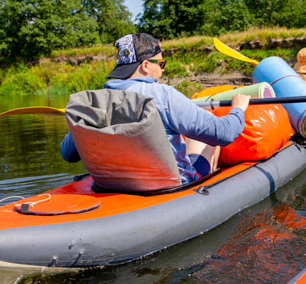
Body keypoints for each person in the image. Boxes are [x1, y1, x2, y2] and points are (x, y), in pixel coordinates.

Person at [60, 33, 250, 183]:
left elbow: (67, 154)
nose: (163, 69)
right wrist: (238, 109)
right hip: (169, 188)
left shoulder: (93, 102)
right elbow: (224, 133)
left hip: (114, 185)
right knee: (209, 141)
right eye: (161, 63)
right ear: (145, 66)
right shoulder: (162, 95)